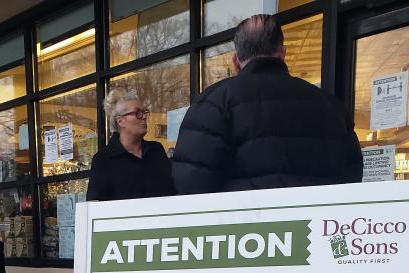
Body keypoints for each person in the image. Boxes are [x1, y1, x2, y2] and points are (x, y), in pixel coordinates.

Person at [172, 14, 362, 194]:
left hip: (246, 225)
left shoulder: (213, 102)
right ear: (282, 54)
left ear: (235, 61)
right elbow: (351, 176)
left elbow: (191, 183)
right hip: (317, 224)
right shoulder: (330, 105)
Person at [86, 89, 175, 201]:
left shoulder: (156, 150)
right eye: (137, 113)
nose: (144, 117)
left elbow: (172, 192)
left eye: (145, 112)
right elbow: (95, 206)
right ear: (120, 121)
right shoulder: (104, 159)